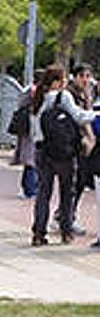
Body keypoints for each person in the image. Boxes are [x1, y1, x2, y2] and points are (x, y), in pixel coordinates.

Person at [31, 64, 95, 246]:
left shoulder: (37, 97)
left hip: (42, 150)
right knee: (67, 192)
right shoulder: (63, 96)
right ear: (57, 82)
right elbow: (79, 116)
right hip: (63, 152)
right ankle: (66, 232)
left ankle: (38, 233)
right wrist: (96, 114)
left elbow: (34, 127)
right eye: (63, 79)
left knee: (43, 193)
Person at [67, 62, 95, 233]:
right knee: (75, 181)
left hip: (84, 143)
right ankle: (66, 217)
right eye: (82, 76)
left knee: (81, 180)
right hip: (74, 142)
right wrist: (88, 137)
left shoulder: (86, 94)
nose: (85, 80)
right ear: (75, 77)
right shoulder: (69, 95)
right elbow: (80, 118)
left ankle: (67, 215)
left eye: (87, 76)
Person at [11, 69, 42, 200]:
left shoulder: (27, 89)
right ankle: (30, 190)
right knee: (31, 160)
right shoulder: (34, 91)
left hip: (25, 128)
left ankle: (26, 188)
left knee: (29, 160)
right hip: (31, 128)